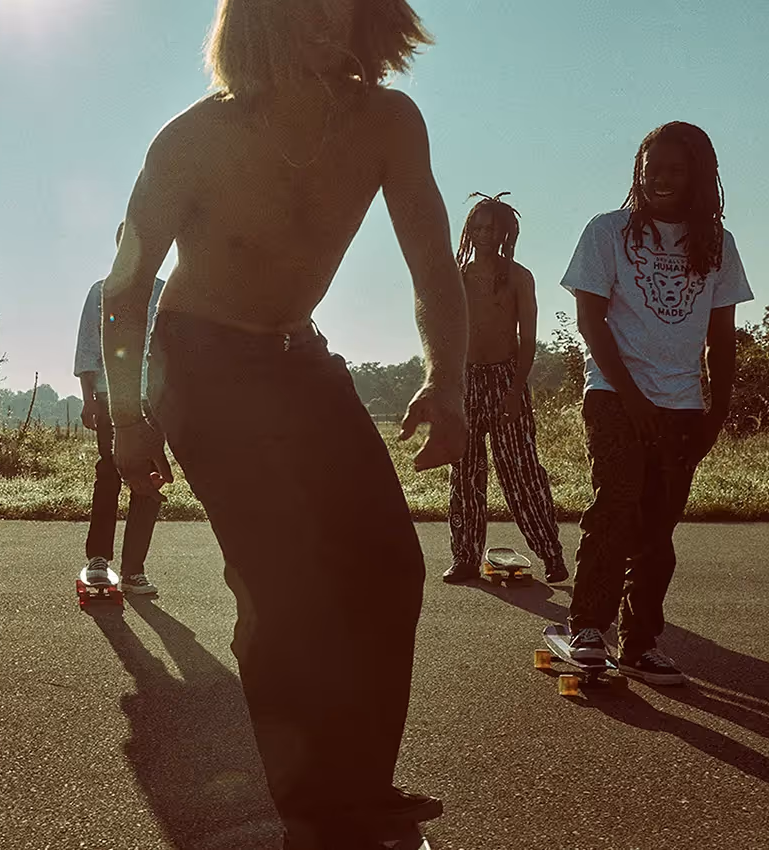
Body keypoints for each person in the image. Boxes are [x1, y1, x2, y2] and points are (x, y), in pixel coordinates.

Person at [100, 1, 469, 846]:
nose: (321, 15)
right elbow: (125, 286)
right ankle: (314, 810)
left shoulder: (387, 121)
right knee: (285, 589)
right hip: (201, 365)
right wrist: (129, 418)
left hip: (299, 357)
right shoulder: (192, 138)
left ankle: (361, 786)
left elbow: (431, 261)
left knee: (387, 567)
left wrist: (446, 384)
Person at [561, 121, 752, 685]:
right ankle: (588, 626)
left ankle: (640, 641)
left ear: (698, 174)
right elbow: (590, 319)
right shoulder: (608, 231)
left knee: (658, 529)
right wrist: (631, 394)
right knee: (616, 507)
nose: (660, 179)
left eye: (674, 169)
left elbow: (722, 333)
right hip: (614, 395)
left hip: (683, 405)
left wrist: (716, 410)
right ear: (638, 172)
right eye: (651, 169)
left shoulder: (717, 243)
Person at [442, 192, 569, 584]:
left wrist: (514, 392)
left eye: (491, 229)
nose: (483, 235)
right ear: (468, 231)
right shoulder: (456, 276)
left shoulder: (518, 277)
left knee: (521, 468)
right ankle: (465, 557)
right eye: (477, 228)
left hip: (505, 379)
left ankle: (550, 553)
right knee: (464, 473)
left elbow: (527, 340)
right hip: (465, 380)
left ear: (505, 233)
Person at [73, 223, 166, 595]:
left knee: (148, 479)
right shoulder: (102, 291)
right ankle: (98, 559)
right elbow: (87, 348)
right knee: (109, 472)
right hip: (112, 397)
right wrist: (88, 398)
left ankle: (133, 570)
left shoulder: (165, 294)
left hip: (153, 401)